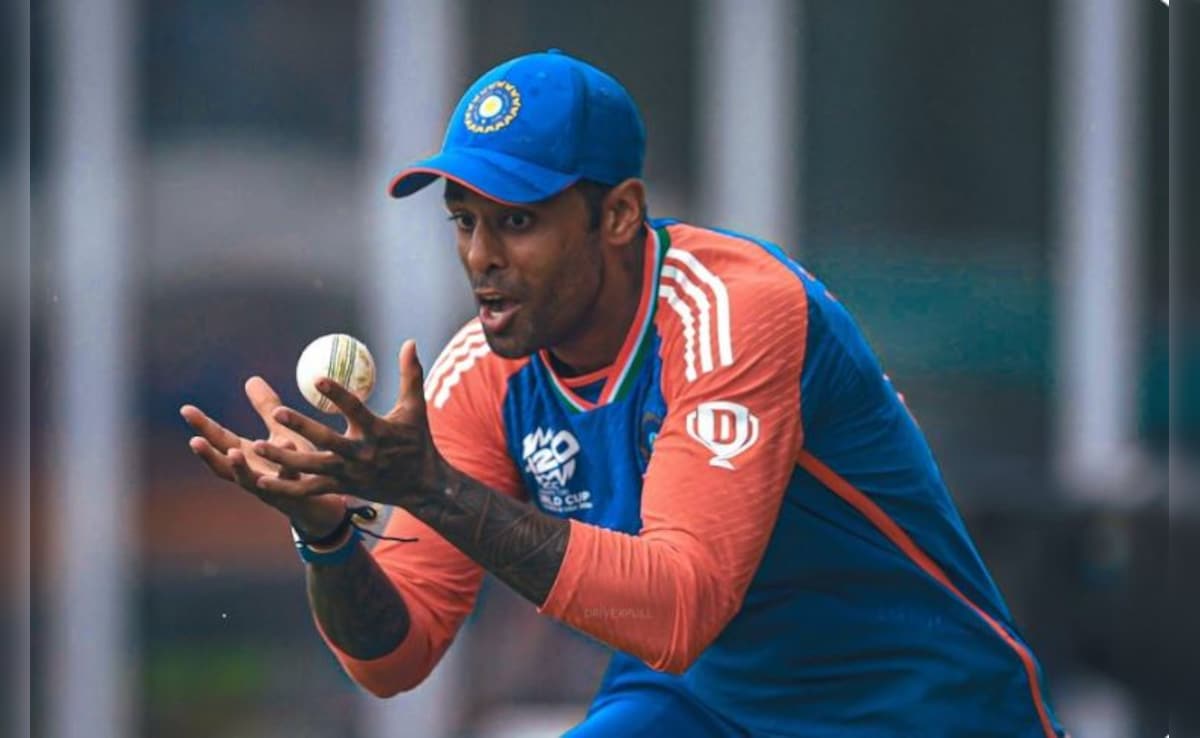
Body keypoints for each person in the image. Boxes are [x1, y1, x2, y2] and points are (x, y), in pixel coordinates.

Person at [181, 50, 1067, 737]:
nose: (481, 257)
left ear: (618, 215)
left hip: (908, 705)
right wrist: (327, 535)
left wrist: (430, 488)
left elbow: (680, 606)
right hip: (703, 704)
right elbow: (395, 656)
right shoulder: (478, 375)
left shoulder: (734, 314)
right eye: (464, 221)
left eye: (517, 220)